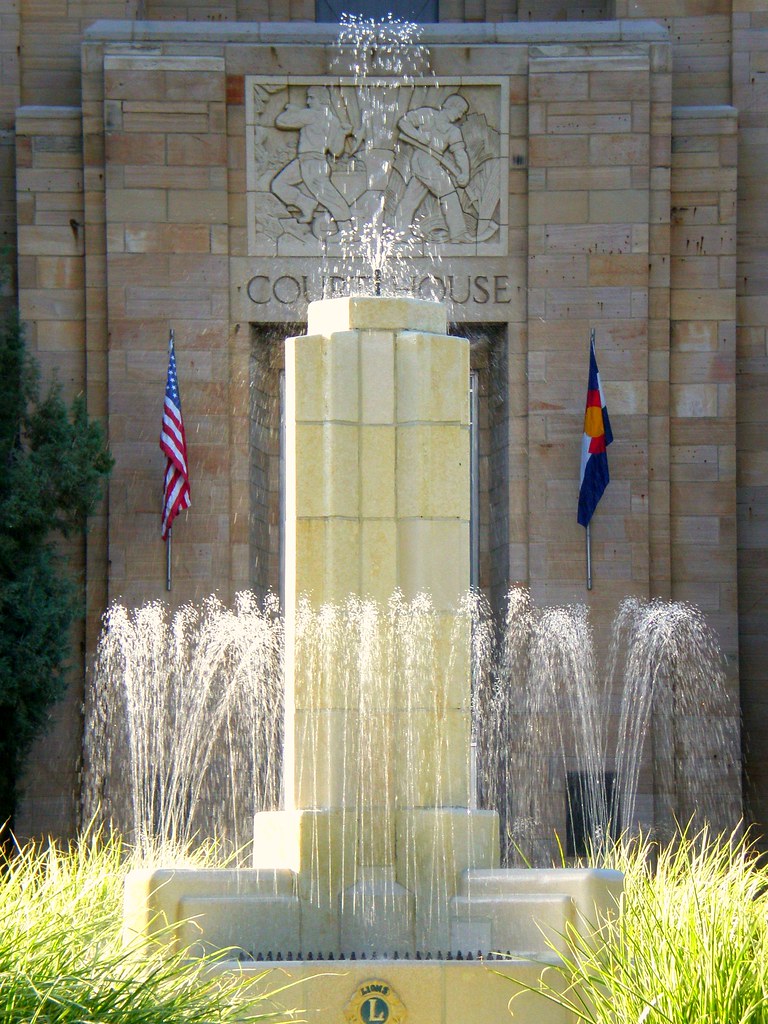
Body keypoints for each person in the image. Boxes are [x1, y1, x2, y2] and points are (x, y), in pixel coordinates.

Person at [271, 86, 355, 225]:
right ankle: (307, 204)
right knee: (279, 184)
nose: (308, 101)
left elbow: (281, 121)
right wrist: (342, 133)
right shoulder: (333, 121)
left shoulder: (310, 114)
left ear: (322, 99)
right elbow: (336, 151)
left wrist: (291, 110)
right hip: (307, 162)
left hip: (312, 163)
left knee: (328, 196)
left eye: (311, 97)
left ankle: (346, 226)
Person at [396, 94, 473, 242]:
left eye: (461, 114)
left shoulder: (453, 132)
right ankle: (458, 233)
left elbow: (460, 153)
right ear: (450, 107)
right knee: (448, 193)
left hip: (432, 163)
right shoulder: (428, 114)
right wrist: (418, 135)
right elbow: (403, 122)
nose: (459, 117)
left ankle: (400, 232)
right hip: (422, 161)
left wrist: (465, 173)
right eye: (458, 112)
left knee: (411, 198)